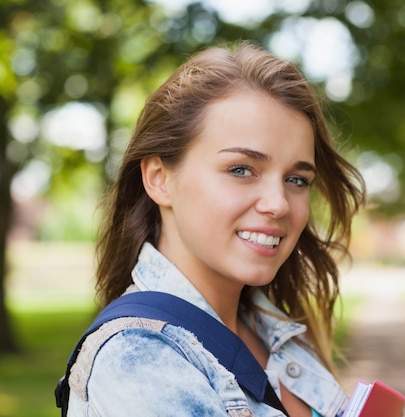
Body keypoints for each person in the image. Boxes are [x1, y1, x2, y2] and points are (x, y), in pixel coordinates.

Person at [65, 41, 365, 417]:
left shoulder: (271, 333)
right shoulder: (140, 362)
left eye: (297, 179)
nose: (279, 203)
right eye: (241, 169)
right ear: (159, 179)